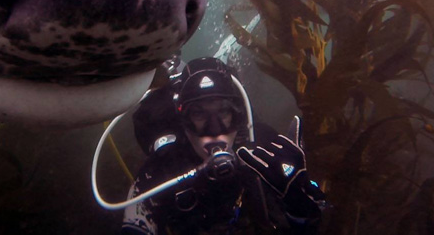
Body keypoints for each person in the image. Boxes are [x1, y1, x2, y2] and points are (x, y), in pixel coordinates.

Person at [121, 57, 326, 234]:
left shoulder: (264, 154)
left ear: (239, 116)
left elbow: (315, 220)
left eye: (225, 113)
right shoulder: (161, 169)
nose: (215, 129)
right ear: (183, 122)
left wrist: (300, 207)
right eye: (199, 114)